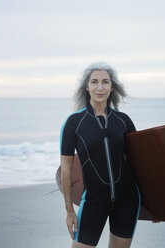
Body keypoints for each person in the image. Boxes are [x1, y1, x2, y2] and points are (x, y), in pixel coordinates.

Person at [60, 62, 141, 248]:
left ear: (112, 87)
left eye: (105, 82)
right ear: (87, 87)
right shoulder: (74, 123)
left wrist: (155, 207)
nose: (100, 87)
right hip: (94, 200)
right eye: (94, 82)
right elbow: (66, 167)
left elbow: (138, 162)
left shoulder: (123, 121)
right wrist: (69, 210)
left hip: (127, 200)